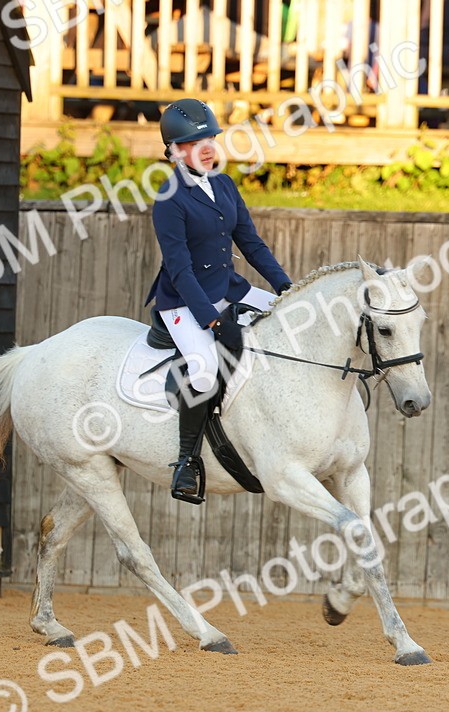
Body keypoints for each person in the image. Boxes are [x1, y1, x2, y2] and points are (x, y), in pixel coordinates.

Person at [145, 98, 293, 501]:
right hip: (184, 302)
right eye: (195, 143)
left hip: (230, 287)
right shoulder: (169, 198)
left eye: (210, 137)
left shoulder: (224, 185)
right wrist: (211, 321)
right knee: (206, 370)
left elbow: (251, 242)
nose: (207, 147)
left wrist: (287, 288)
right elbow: (179, 270)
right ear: (175, 151)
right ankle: (186, 463)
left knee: (290, 323)